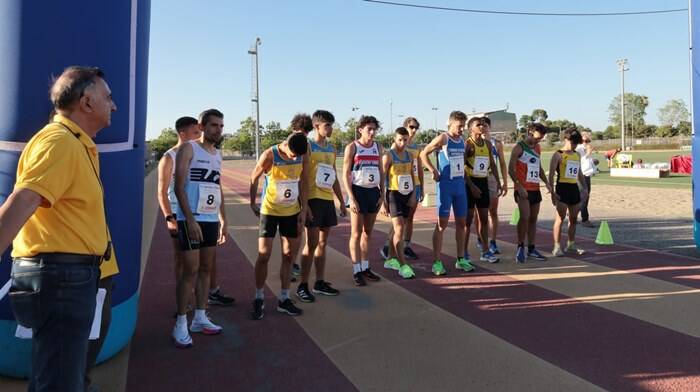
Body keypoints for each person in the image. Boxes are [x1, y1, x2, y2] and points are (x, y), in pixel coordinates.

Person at [1, 66, 117, 391]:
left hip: (67, 279)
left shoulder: (76, 143)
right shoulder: (60, 142)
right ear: (87, 102)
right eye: (108, 97)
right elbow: (22, 200)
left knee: (55, 375)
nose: (115, 105)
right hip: (61, 281)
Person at [172, 109, 228, 347]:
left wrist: (223, 219)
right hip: (190, 219)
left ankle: (201, 316)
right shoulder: (189, 149)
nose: (218, 130)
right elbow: (179, 187)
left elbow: (217, 187)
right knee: (190, 270)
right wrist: (190, 219)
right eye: (214, 125)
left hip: (210, 219)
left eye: (221, 126)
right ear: (202, 126)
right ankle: (181, 323)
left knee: (206, 268)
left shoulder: (217, 155)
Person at [249, 132, 309, 319]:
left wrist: (303, 209)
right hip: (270, 211)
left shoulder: (302, 152)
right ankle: (259, 297)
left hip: (291, 212)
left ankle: (284, 298)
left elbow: (304, 181)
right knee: (264, 255)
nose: (295, 158)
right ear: (286, 145)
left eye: (298, 156)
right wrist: (253, 203)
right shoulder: (269, 155)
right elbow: (254, 178)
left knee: (289, 255)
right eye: (292, 154)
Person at [296, 110, 347, 303]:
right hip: (312, 199)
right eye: (328, 125)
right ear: (316, 126)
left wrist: (341, 201)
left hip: (326, 200)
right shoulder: (307, 146)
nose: (331, 128)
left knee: (323, 244)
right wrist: (304, 204)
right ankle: (303, 285)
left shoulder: (332, 149)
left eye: (331, 125)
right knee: (311, 244)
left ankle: (319, 281)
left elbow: (333, 176)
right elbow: (301, 176)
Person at [157, 116, 203, 314]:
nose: (199, 136)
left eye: (199, 132)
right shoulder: (169, 157)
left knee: (201, 259)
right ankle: (182, 301)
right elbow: (162, 191)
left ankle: (201, 295)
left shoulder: (198, 153)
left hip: (199, 212)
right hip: (178, 214)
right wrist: (169, 217)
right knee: (180, 258)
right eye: (195, 133)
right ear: (182, 134)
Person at [419, 111, 473, 275]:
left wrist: (464, 177)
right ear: (450, 124)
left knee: (462, 224)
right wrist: (433, 170)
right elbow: (423, 153)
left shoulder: (462, 140)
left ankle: (461, 259)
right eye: (459, 126)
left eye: (463, 126)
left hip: (459, 188)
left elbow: (460, 162)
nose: (462, 129)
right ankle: (437, 262)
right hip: (445, 187)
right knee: (441, 225)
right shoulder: (443, 138)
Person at [342, 115, 384, 286]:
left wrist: (382, 193)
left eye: (374, 129)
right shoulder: (352, 147)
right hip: (358, 192)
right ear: (360, 130)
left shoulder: (378, 147)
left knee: (368, 233)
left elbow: (381, 171)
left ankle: (366, 267)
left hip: (373, 192)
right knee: (356, 233)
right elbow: (345, 174)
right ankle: (356, 269)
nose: (372, 132)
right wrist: (351, 198)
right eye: (369, 129)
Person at [380, 117, 423, 261]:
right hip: (395, 189)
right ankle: (389, 246)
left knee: (409, 219)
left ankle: (406, 246)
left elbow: (417, 169)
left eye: (416, 127)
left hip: (412, 186)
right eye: (411, 127)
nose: (414, 130)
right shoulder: (393, 150)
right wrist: (383, 197)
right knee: (398, 223)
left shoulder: (415, 149)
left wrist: (421, 187)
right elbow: (385, 173)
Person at [508, 123, 552, 263]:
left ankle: (531, 248)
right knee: (525, 217)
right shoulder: (519, 148)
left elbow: (538, 167)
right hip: (523, 188)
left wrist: (547, 182)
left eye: (541, 139)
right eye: (537, 138)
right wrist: (519, 186)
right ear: (530, 132)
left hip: (535, 188)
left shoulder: (537, 148)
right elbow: (510, 169)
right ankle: (520, 246)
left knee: (533, 218)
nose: (538, 141)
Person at [464, 116, 501, 264]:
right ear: (470, 129)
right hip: (469, 183)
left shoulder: (487, 144)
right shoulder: (468, 145)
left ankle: (485, 251)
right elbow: (461, 167)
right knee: (467, 221)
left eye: (483, 124)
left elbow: (492, 164)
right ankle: (464, 251)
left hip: (483, 182)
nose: (482, 126)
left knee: (484, 219)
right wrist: (471, 186)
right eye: (478, 125)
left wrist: (498, 181)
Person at [549, 128, 588, 256]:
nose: (574, 145)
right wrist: (552, 192)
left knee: (573, 219)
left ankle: (571, 244)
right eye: (573, 142)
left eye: (576, 143)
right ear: (566, 139)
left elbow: (579, 173)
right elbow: (551, 175)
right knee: (560, 218)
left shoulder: (576, 155)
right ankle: (557, 246)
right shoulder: (558, 154)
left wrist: (584, 188)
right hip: (562, 188)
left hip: (573, 189)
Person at [475, 120, 508, 254]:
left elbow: (502, 163)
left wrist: (504, 181)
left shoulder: (496, 144)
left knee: (493, 211)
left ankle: (493, 241)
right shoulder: (473, 142)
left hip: (491, 179)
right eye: (480, 126)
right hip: (478, 178)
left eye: (486, 126)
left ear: (490, 127)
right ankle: (480, 238)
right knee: (479, 212)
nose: (483, 128)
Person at [288, 114, 314, 280]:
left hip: (300, 194)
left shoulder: (307, 146)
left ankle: (292, 263)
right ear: (293, 130)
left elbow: (304, 176)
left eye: (305, 133)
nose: (302, 136)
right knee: (292, 235)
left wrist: (305, 204)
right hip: (286, 196)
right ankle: (289, 264)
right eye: (299, 132)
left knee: (297, 233)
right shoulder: (288, 145)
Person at [576, 132, 596, 228]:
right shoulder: (578, 149)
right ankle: (584, 219)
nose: (586, 142)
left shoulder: (585, 149)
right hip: (580, 175)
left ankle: (573, 213)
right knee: (584, 196)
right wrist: (588, 153)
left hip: (586, 175)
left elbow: (587, 163)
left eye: (588, 141)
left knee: (583, 196)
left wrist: (593, 162)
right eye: (584, 140)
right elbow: (578, 162)